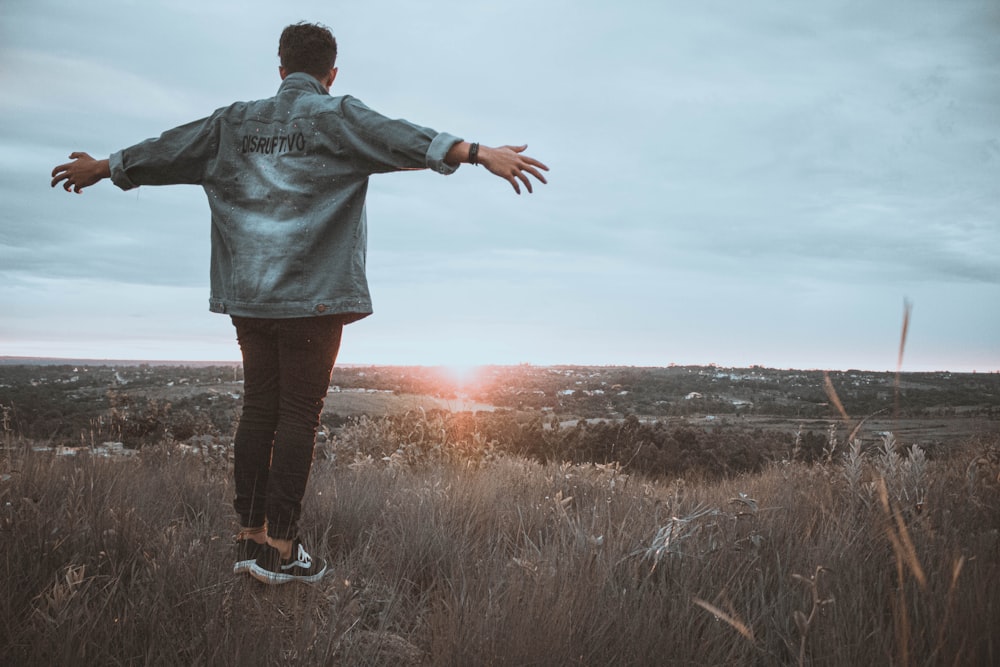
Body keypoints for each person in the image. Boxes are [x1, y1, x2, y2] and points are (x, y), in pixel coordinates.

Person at [50, 22, 548, 585]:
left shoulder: (231, 123)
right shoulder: (336, 116)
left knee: (258, 410)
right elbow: (401, 137)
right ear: (331, 75)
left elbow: (166, 150)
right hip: (313, 300)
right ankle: (283, 551)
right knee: (296, 417)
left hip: (251, 297)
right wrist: (479, 153)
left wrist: (102, 167)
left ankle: (249, 540)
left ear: (280, 68)